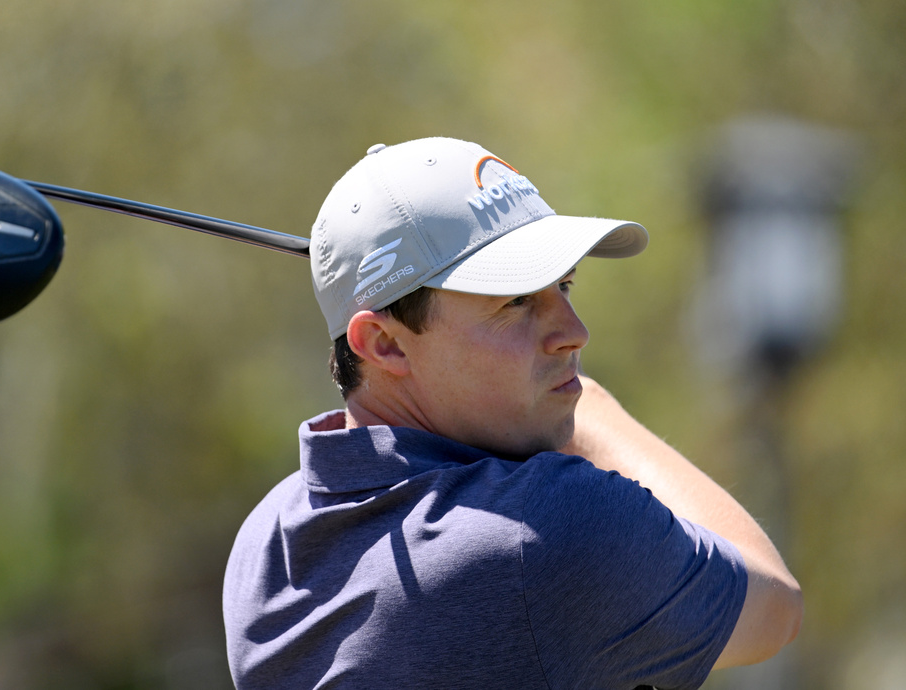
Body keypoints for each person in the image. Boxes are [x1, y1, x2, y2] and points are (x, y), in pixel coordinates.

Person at [223, 137, 802, 689]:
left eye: (565, 287)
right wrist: (594, 410)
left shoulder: (264, 541)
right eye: (517, 301)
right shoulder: (548, 526)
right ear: (385, 344)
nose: (574, 334)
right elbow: (774, 605)